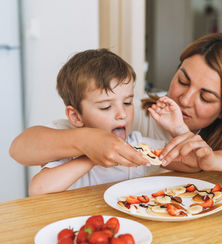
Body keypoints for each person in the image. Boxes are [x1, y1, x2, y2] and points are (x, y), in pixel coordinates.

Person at [10, 33, 222, 179]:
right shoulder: (131, 113)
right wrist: (86, 140)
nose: (184, 99)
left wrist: (211, 160)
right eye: (182, 80)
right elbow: (22, 149)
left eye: (206, 97)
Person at [27, 49, 188, 196]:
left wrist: (180, 130)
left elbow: (192, 164)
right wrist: (91, 158)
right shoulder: (69, 151)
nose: (122, 114)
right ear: (76, 116)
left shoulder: (138, 145)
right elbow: (38, 189)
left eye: (127, 103)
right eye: (105, 107)